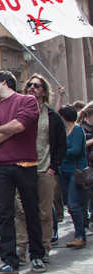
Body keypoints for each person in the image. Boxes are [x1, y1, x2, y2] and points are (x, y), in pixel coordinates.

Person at [0, 70, 46, 274]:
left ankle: (37, 256)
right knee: (4, 214)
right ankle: (9, 260)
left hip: (26, 164)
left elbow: (20, 125)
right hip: (0, 167)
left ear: (3, 82)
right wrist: (10, 129)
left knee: (31, 211)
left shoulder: (27, 100)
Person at [15, 75, 65, 263]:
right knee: (21, 211)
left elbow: (61, 144)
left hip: (45, 169)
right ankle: (21, 246)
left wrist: (53, 168)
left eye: (36, 85)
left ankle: (44, 248)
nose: (31, 87)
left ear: (44, 91)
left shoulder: (53, 117)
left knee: (44, 212)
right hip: (23, 169)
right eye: (29, 85)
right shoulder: (19, 114)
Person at [59, 105, 89, 248]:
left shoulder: (77, 129)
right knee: (72, 205)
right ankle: (80, 234)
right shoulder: (64, 131)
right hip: (64, 170)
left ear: (63, 117)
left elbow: (76, 150)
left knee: (73, 204)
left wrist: (59, 152)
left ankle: (79, 236)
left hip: (75, 171)